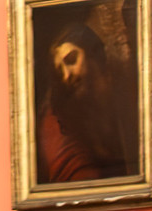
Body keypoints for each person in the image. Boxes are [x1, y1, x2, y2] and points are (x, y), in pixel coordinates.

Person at [36, 22, 139, 184]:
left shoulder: (126, 88)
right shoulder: (59, 118)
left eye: (71, 60)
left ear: (93, 54)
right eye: (59, 70)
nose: (66, 76)